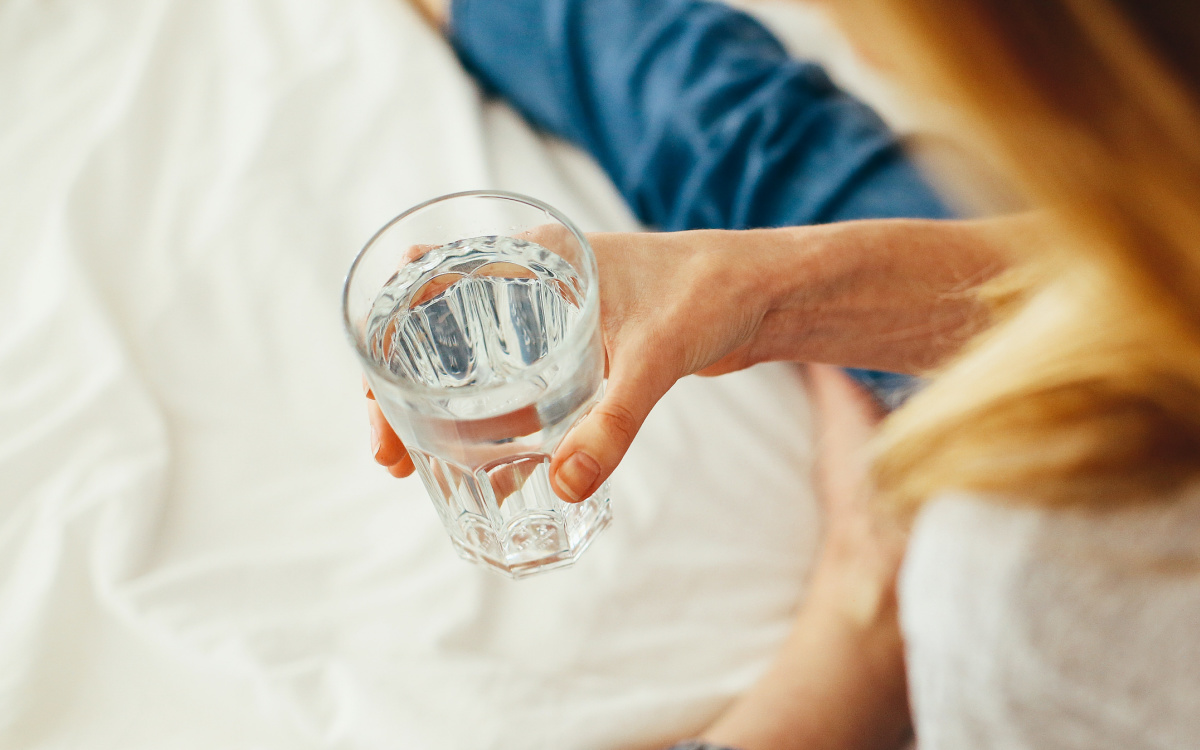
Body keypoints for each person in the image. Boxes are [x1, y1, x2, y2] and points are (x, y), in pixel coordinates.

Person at [371, 0, 1200, 748]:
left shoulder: (1041, 581)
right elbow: (1151, 282)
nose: (860, 48)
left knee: (757, 139)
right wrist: (763, 288)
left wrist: (855, 629)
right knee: (743, 132)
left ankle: (866, 608)